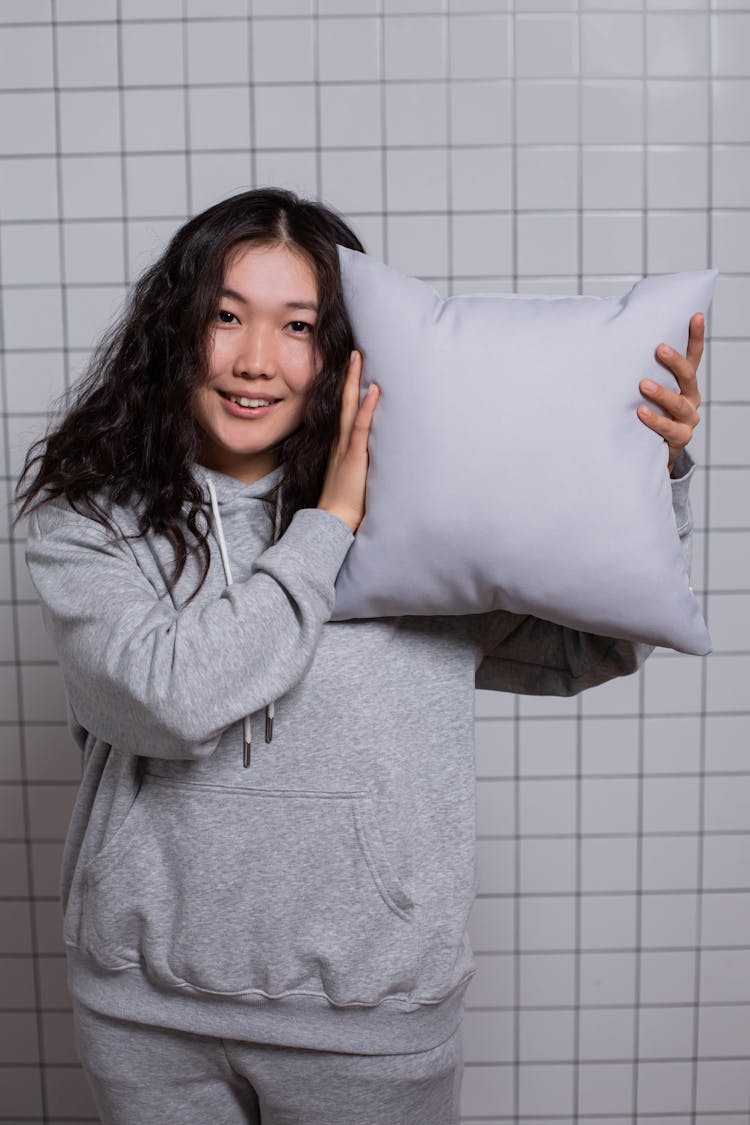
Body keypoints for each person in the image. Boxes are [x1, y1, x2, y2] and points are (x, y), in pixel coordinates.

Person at [17, 188, 703, 1125]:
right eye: (226, 316)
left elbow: (589, 649)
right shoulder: (91, 522)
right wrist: (327, 528)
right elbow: (169, 698)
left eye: (298, 326)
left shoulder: (420, 526)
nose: (256, 360)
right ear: (175, 330)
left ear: (343, 349)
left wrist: (649, 475)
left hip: (370, 1020)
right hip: (147, 1013)